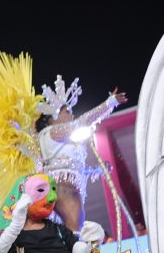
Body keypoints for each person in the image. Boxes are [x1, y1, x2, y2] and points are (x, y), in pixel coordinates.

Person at [36, 76, 127, 230]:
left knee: (73, 230)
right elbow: (82, 122)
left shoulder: (57, 138)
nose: (71, 115)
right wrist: (109, 104)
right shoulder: (53, 132)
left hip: (65, 188)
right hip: (64, 189)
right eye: (67, 112)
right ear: (53, 119)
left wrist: (97, 170)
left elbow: (69, 166)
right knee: (76, 230)